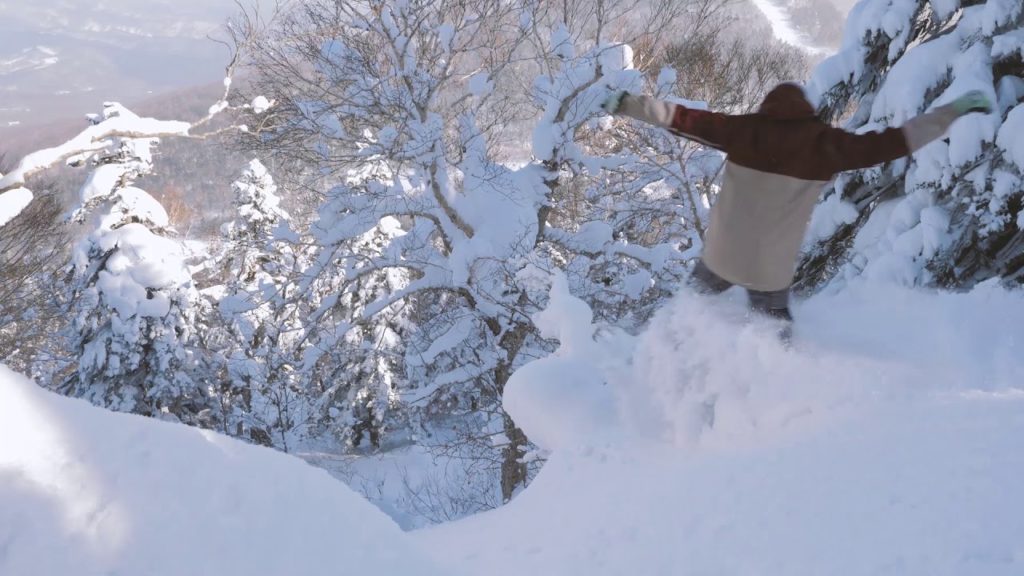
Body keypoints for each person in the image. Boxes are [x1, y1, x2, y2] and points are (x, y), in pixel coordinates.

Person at [602, 83, 993, 341]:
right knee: (775, 339)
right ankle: (781, 395)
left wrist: (628, 104)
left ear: (767, 108)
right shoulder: (825, 145)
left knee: (685, 314)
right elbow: (895, 142)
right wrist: (951, 111)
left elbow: (680, 118)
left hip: (722, 257)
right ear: (809, 112)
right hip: (769, 271)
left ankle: (661, 355)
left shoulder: (744, 130)